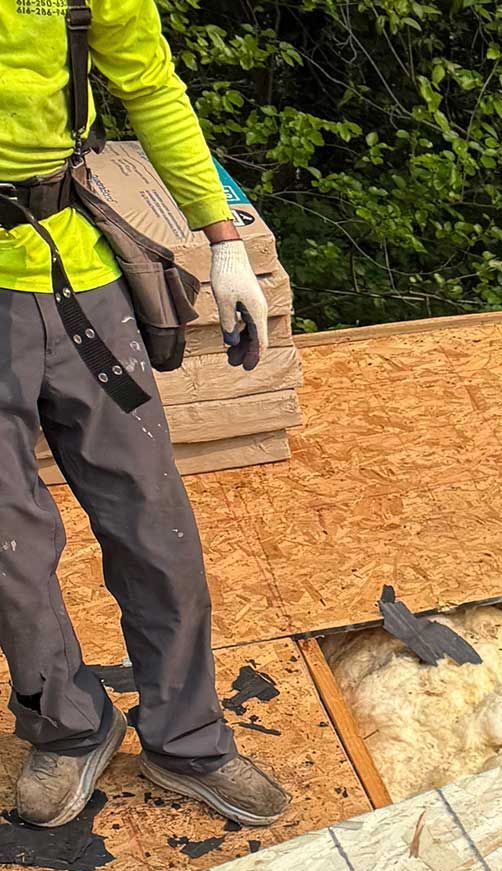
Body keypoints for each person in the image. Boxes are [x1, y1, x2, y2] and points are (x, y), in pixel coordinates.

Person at [0, 0, 288, 829]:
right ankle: (69, 727)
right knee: (8, 548)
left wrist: (224, 241)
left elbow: (153, 89)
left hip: (73, 271)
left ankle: (187, 738)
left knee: (150, 519)